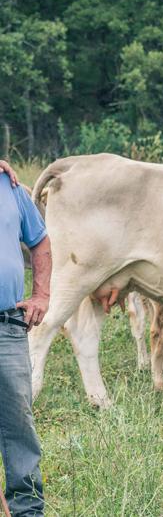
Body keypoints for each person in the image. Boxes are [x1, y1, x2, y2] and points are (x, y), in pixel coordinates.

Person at [0, 159, 51, 516]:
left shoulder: (10, 187)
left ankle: (27, 509)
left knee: (18, 420)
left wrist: (41, 295)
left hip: (7, 325)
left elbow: (40, 241)